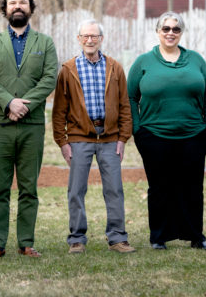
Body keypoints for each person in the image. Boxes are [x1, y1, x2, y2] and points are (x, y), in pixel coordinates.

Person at [127, 11, 206, 250]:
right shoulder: (144, 62)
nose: (170, 33)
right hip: (154, 136)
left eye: (175, 29)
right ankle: (159, 237)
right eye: (165, 28)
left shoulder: (196, 60)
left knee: (192, 187)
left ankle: (196, 236)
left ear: (181, 33)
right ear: (158, 32)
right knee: (159, 187)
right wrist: (138, 129)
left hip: (193, 135)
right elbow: (130, 97)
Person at [0, 0, 58, 259]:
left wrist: (23, 105)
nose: (18, 6)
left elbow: (50, 79)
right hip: (0, 126)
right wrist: (8, 103)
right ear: (5, 9)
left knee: (29, 188)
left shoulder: (45, 43)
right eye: (13, 2)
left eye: (23, 2)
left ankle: (26, 242)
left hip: (32, 126)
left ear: (30, 8)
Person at [52, 19, 135, 254]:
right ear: (79, 39)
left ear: (101, 39)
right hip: (79, 139)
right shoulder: (68, 69)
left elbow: (125, 106)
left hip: (110, 139)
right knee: (76, 190)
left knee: (114, 189)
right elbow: (59, 111)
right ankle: (77, 239)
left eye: (94, 36)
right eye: (85, 36)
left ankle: (117, 238)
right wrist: (63, 142)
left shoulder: (115, 68)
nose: (90, 40)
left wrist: (123, 138)